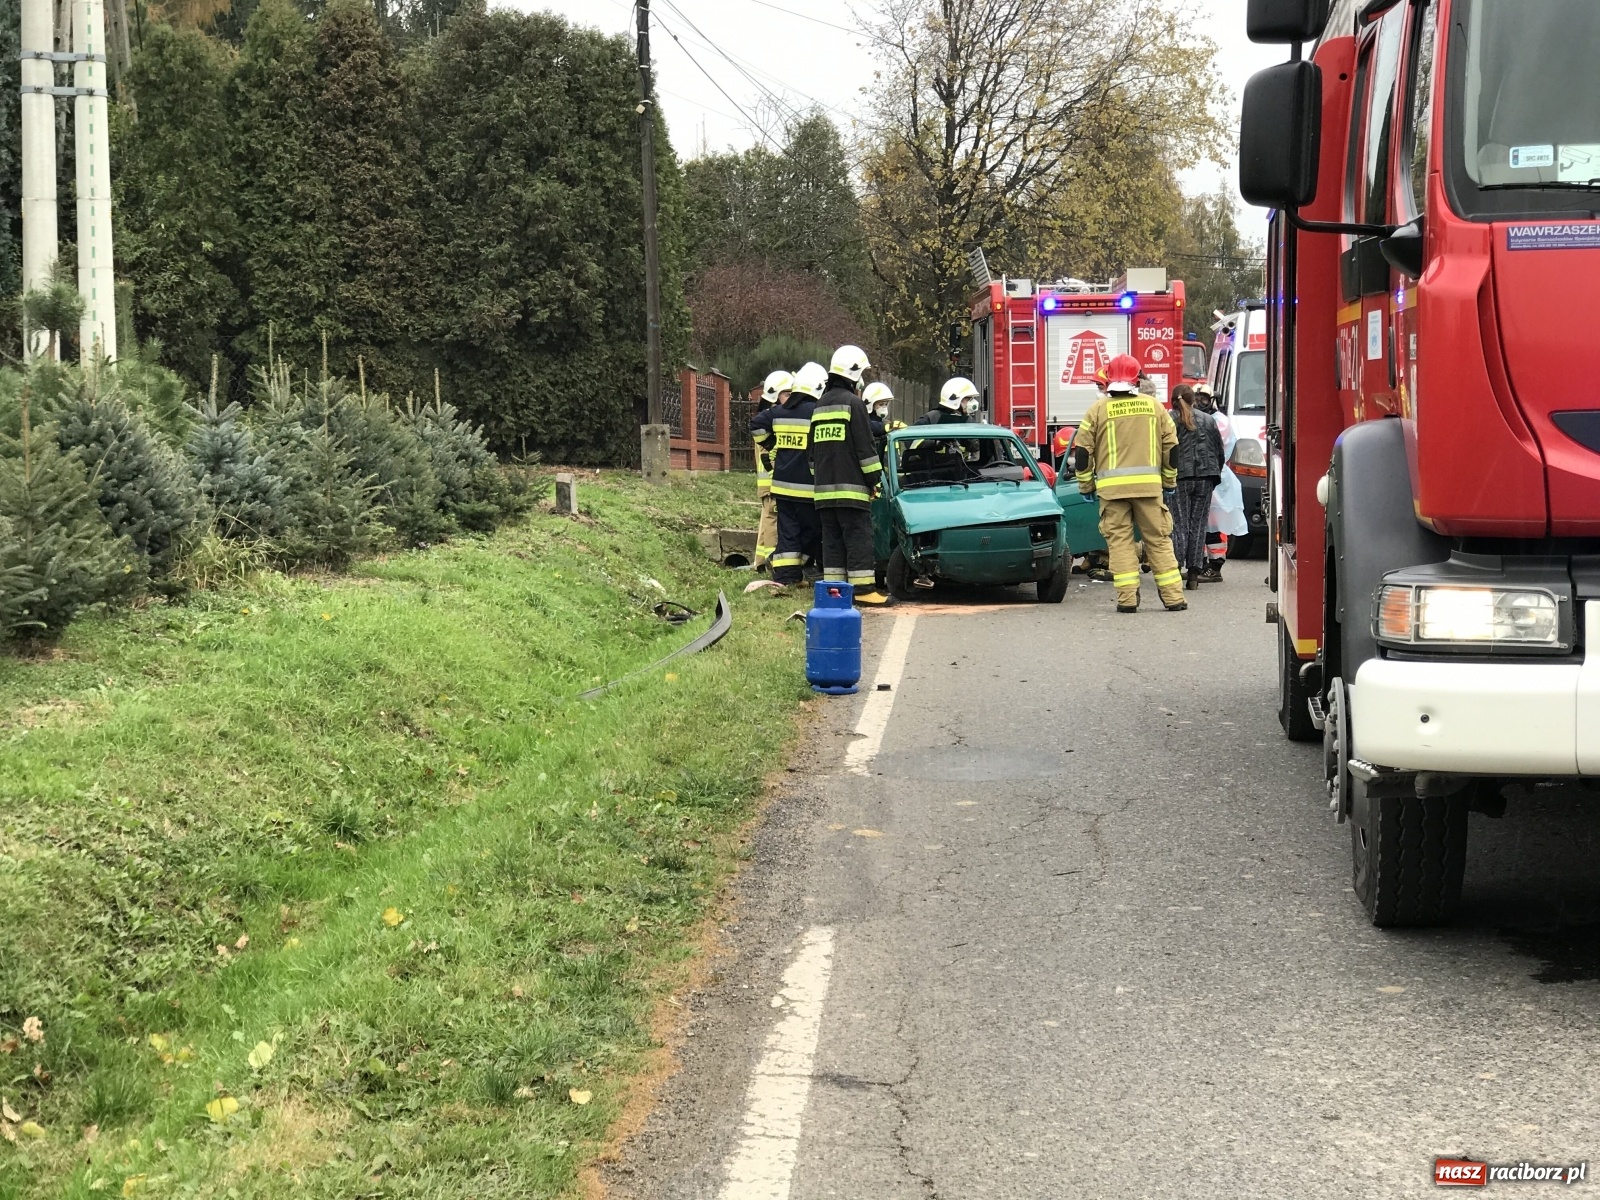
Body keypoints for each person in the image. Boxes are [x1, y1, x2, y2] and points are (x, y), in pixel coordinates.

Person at [1070, 353, 1186, 614]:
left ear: (1109, 378)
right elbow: (1172, 447)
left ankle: (1127, 600)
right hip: (1149, 489)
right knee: (1158, 540)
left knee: (1120, 544)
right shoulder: (1154, 406)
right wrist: (1169, 481)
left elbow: (1083, 453)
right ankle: (1173, 598)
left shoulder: (1097, 410)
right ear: (1137, 377)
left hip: (1112, 492)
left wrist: (1086, 486)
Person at [811, 345, 890, 607]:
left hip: (823, 493)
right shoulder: (854, 404)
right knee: (858, 540)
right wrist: (875, 481)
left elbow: (812, 455)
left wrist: (820, 480)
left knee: (831, 542)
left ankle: (835, 592)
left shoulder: (819, 405)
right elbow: (865, 449)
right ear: (852, 373)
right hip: (852, 491)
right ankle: (864, 590)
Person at [752, 361, 826, 588]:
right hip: (808, 487)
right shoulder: (817, 413)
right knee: (813, 530)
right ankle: (801, 565)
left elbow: (756, 425)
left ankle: (786, 576)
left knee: (788, 533)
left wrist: (774, 442)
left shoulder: (780, 412)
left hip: (783, 486)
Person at [1169, 384, 1225, 591]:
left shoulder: (1170, 419)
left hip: (1180, 477)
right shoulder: (1209, 419)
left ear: (1173, 400)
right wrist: (1214, 473)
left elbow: (1165, 450)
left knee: (1179, 524)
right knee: (1199, 524)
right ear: (1193, 399)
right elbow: (1219, 451)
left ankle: (1175, 569)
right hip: (1206, 476)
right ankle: (1194, 572)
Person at [751, 370, 792, 570]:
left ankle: (759, 562)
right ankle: (771, 564)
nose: (791, 399)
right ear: (775, 396)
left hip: (768, 483)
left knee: (766, 520)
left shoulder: (765, 419)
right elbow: (769, 456)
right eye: (788, 394)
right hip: (772, 482)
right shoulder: (770, 422)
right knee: (772, 523)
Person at [863, 381, 894, 454]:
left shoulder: (884, 423)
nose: (884, 407)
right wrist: (888, 427)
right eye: (881, 404)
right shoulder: (864, 422)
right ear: (871, 405)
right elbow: (870, 426)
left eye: (886, 404)